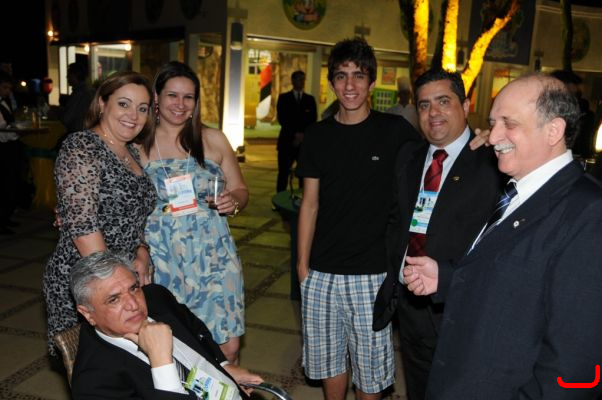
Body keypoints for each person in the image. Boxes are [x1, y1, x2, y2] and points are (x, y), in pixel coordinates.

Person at [403, 73, 602, 399]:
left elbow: (575, 367)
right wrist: (447, 276)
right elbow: (516, 281)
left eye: (509, 124)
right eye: (493, 123)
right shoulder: (516, 191)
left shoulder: (589, 213)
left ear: (553, 130)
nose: (493, 137)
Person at [295, 37, 421, 400]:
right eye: (341, 76)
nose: (350, 85)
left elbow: (435, 157)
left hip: (372, 274)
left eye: (359, 75)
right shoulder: (318, 135)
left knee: (371, 370)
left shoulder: (394, 132)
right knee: (328, 362)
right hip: (321, 273)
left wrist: (477, 140)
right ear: (331, 82)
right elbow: (309, 204)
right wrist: (302, 267)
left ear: (372, 82)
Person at [372, 69, 503, 400]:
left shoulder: (494, 160)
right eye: (425, 105)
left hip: (460, 305)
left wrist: (501, 140)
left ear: (466, 105)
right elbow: (396, 219)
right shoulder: (410, 156)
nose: (433, 113)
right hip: (411, 304)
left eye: (444, 101)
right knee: (419, 387)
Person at [138, 61, 247, 365]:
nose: (180, 104)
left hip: (214, 255)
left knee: (228, 348)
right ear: (156, 97)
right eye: (172, 95)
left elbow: (240, 189)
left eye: (188, 97)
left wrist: (234, 201)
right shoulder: (138, 144)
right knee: (174, 350)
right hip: (163, 257)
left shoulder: (213, 139)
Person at [44, 71, 157, 356]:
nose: (133, 115)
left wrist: (141, 250)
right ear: (103, 104)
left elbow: (132, 217)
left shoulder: (131, 152)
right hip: (91, 281)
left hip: (122, 279)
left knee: (129, 367)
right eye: (123, 104)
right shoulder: (82, 147)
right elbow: (84, 229)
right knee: (96, 367)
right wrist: (118, 290)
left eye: (142, 108)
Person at [70, 251, 263, 399]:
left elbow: (196, 329)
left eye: (134, 288)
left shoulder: (157, 298)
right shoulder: (94, 383)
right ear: (87, 313)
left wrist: (223, 365)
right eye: (114, 299)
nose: (133, 305)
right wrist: (161, 360)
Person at [276, 70, 317, 192]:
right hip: (287, 141)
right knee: (283, 173)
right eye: (299, 79)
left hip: (304, 143)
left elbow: (312, 120)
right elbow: (283, 119)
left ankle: (303, 199)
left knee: (303, 175)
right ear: (293, 81)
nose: (302, 82)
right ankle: (279, 198)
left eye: (303, 79)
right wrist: (295, 135)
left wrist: (302, 135)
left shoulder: (310, 99)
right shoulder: (283, 98)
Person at [0, 70, 21, 235]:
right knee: (5, 183)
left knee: (11, 182)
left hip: (10, 145)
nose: (8, 91)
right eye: (5, 87)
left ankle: (6, 216)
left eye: (9, 88)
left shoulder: (5, 102)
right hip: (3, 147)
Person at [59, 62, 94, 134]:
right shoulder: (88, 90)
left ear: (74, 75)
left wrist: (57, 111)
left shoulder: (79, 93)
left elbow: (66, 118)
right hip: (87, 132)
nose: (67, 77)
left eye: (69, 74)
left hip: (78, 133)